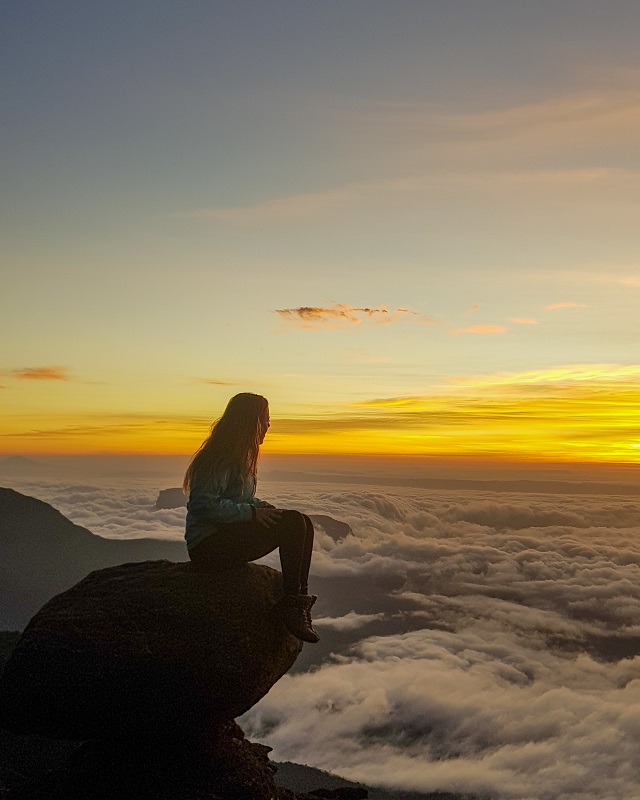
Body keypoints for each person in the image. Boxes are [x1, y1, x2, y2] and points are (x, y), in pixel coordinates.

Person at [183, 393, 319, 643]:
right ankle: (292, 604)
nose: (268, 425)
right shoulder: (216, 459)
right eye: (265, 419)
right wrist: (253, 513)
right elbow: (203, 505)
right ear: (251, 422)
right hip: (208, 545)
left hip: (225, 537)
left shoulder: (241, 456)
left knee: (302, 522)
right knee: (293, 524)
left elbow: (238, 499)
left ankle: (298, 600)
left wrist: (261, 508)